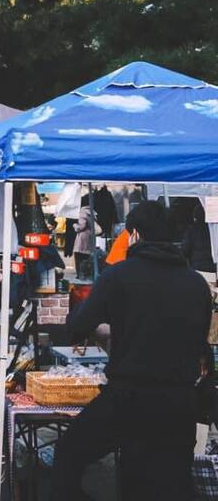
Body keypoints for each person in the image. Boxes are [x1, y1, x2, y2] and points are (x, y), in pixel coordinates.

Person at [52, 201, 211, 501]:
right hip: (179, 403)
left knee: (70, 452)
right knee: (170, 481)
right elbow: (199, 343)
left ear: (135, 235)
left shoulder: (119, 275)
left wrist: (107, 330)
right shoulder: (196, 284)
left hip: (129, 398)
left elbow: (77, 326)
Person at [182, 201, 216, 274]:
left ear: (195, 216)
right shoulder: (214, 228)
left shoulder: (192, 229)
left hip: (198, 266)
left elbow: (185, 249)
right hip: (214, 265)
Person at [73, 194, 95, 279]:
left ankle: (80, 274)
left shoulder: (83, 211)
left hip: (82, 237)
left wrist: (75, 226)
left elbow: (81, 226)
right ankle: (86, 273)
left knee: (79, 255)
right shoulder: (91, 210)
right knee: (86, 256)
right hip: (90, 235)